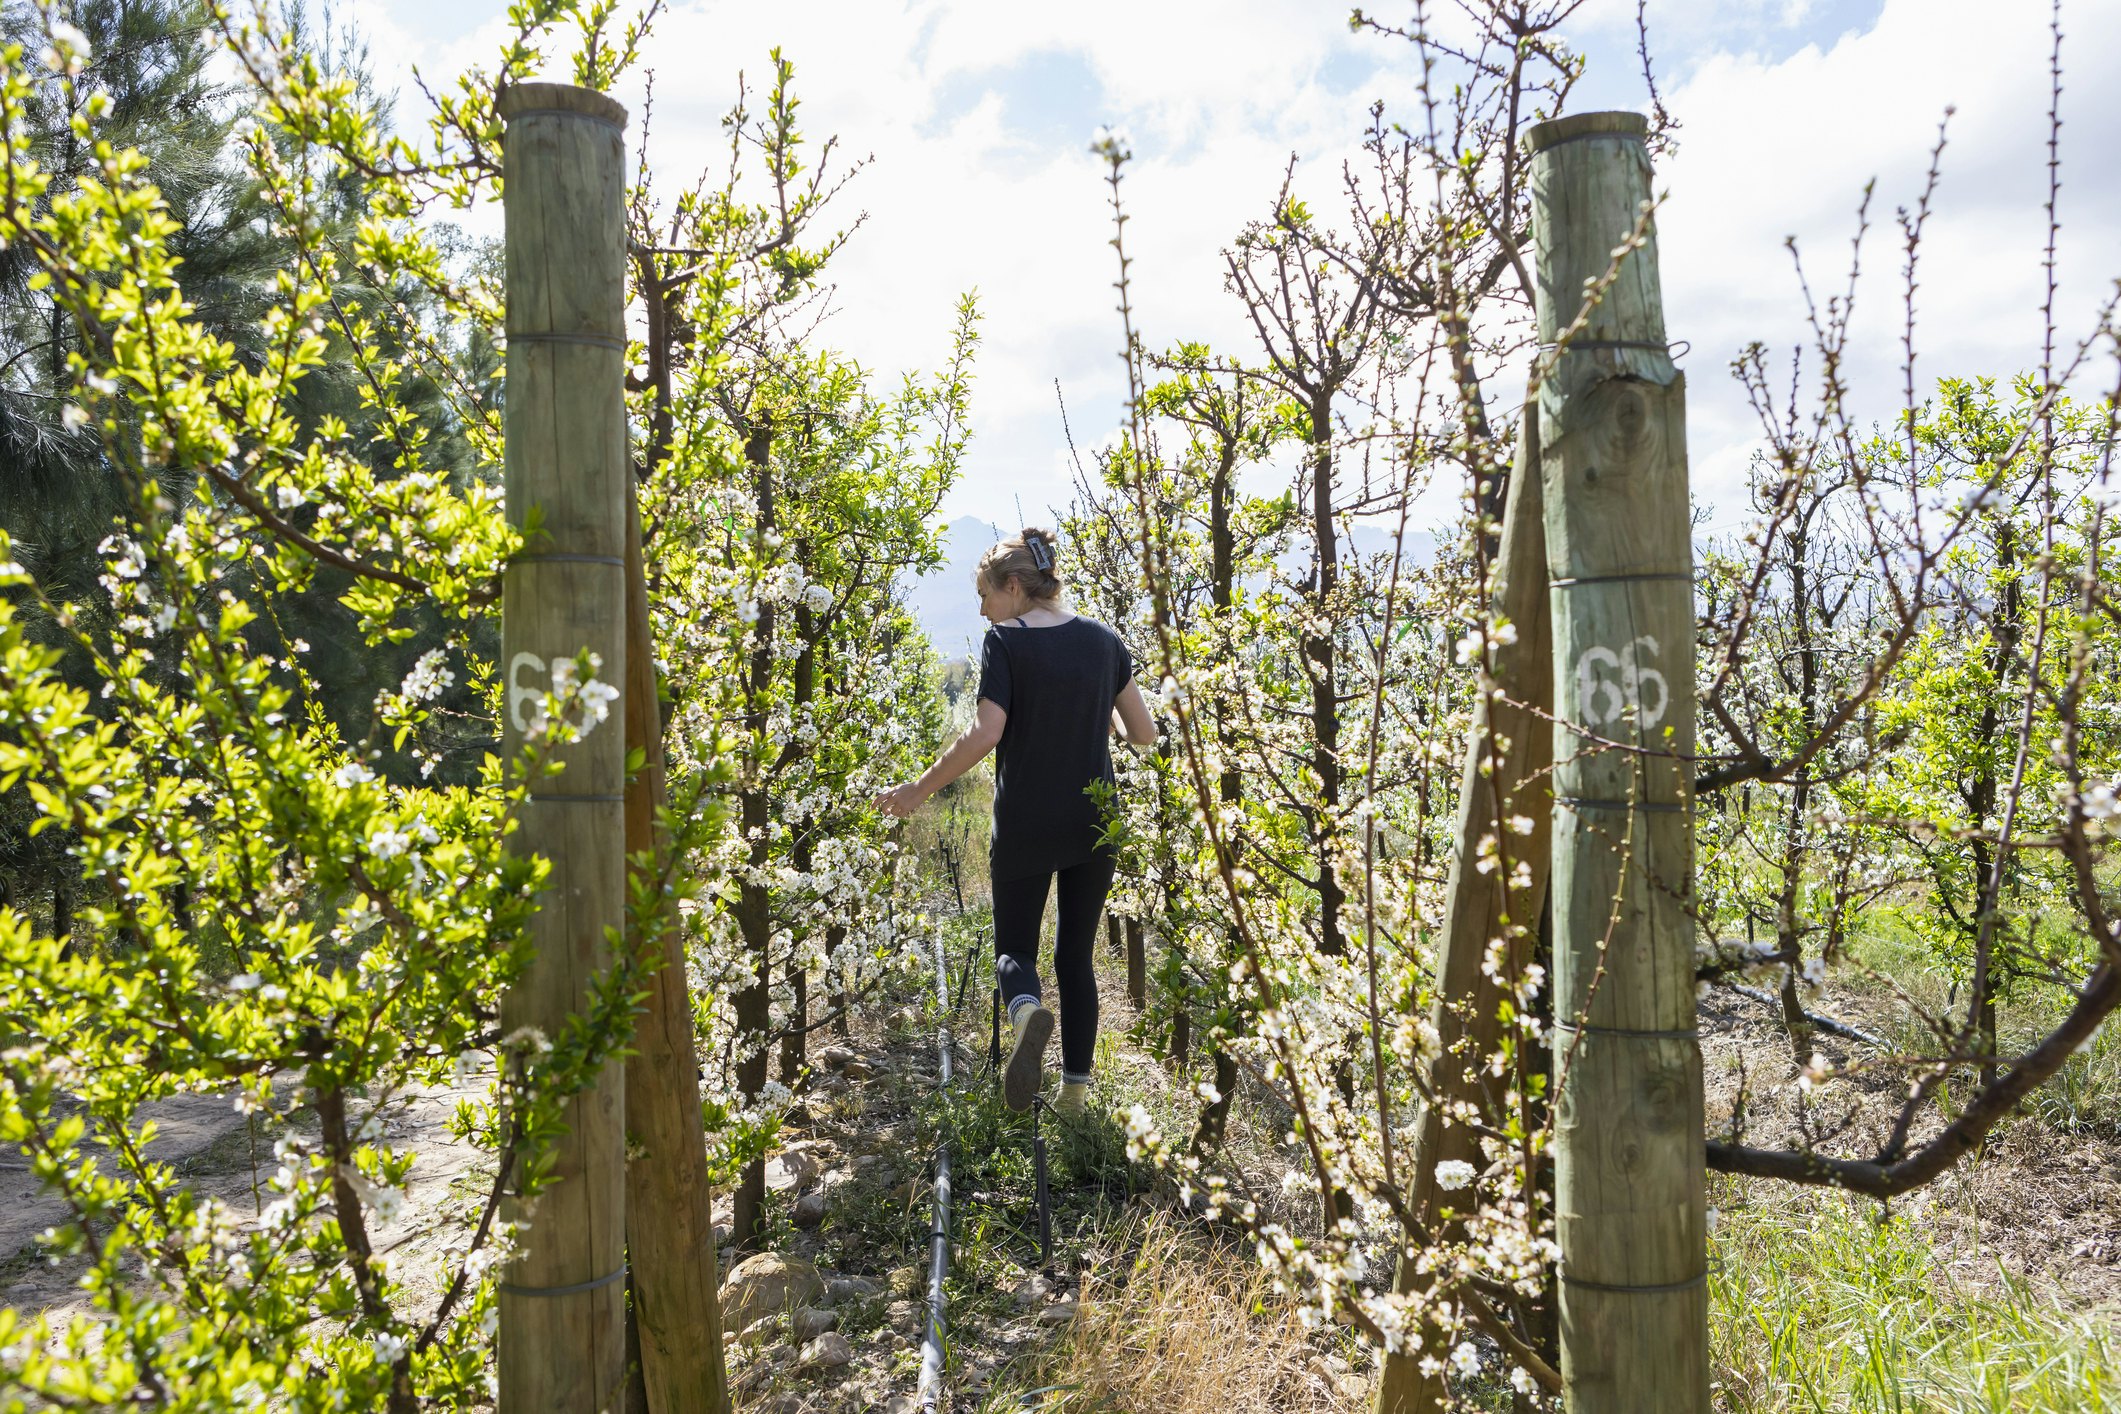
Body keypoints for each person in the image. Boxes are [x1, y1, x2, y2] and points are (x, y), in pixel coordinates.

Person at [876, 527, 1156, 1114]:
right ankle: (1075, 1097)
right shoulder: (1105, 640)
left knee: (1016, 953)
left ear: (1012, 587)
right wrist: (1099, 721)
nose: (981, 610)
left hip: (1027, 819)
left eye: (984, 595)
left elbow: (986, 732)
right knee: (1074, 957)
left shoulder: (1005, 641)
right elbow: (1145, 736)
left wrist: (918, 790)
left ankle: (1027, 1011)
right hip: (1094, 824)